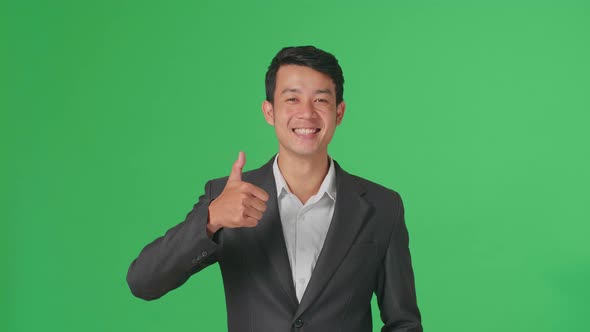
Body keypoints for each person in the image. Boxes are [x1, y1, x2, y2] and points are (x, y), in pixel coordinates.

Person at [127, 46, 423, 332]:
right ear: (269, 112)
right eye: (292, 99)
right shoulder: (229, 196)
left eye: (320, 100)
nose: (306, 113)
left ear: (339, 112)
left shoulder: (382, 207)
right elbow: (143, 282)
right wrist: (211, 218)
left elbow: (404, 323)